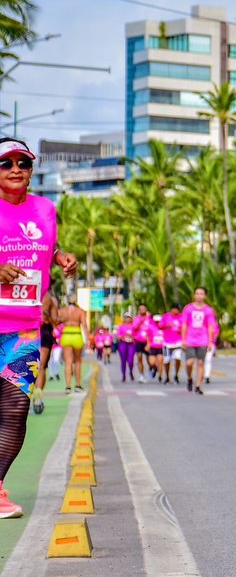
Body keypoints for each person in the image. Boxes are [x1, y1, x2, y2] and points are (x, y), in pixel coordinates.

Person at [0, 137, 77, 517]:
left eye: (23, 163)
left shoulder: (46, 209)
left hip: (26, 326)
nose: (15, 169)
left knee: (15, 406)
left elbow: (46, 246)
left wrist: (61, 256)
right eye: (6, 163)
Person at [181, 287, 217, 395]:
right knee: (189, 363)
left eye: (201, 294)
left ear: (205, 296)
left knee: (201, 362)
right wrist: (183, 339)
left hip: (203, 339)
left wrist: (210, 341)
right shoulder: (188, 308)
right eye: (197, 293)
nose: (199, 296)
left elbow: (210, 326)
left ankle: (198, 386)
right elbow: (184, 324)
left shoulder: (208, 310)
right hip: (190, 339)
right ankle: (189, 378)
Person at [31, 292, 59, 415]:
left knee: (29, 366)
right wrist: (47, 314)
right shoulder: (50, 298)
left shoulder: (27, 289)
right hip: (42, 330)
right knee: (41, 367)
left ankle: (29, 399)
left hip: (27, 329)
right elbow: (55, 320)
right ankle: (38, 399)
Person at [57, 294, 89, 394]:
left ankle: (68, 386)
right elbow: (84, 325)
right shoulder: (80, 311)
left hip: (66, 335)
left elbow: (57, 322)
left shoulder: (62, 311)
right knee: (78, 361)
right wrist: (87, 339)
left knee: (68, 362)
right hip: (77, 335)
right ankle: (78, 385)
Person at [161, 305, 184, 384]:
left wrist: (181, 330)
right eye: (174, 309)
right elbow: (160, 326)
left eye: (177, 309)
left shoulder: (181, 317)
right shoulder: (166, 316)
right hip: (166, 343)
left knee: (178, 358)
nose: (175, 311)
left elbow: (185, 328)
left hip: (178, 342)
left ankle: (176, 375)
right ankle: (167, 376)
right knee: (166, 360)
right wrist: (166, 325)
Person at [132, 303, 152, 384]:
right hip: (139, 341)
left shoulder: (150, 318)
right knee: (139, 357)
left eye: (144, 308)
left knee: (150, 360)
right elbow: (134, 328)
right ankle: (142, 376)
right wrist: (141, 321)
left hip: (148, 341)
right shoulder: (137, 319)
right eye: (141, 309)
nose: (142, 310)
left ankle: (152, 368)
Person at [116, 313, 136, 383]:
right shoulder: (121, 327)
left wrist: (132, 336)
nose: (128, 319)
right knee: (123, 360)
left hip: (131, 344)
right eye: (126, 318)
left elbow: (137, 336)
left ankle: (131, 371)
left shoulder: (134, 327)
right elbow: (118, 337)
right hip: (123, 344)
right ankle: (123, 375)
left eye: (129, 317)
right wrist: (124, 336)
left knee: (130, 360)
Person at [147, 314, 165, 384]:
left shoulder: (163, 328)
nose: (158, 322)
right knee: (151, 362)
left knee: (160, 362)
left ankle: (160, 376)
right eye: (156, 321)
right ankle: (154, 368)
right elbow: (148, 336)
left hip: (161, 347)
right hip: (153, 347)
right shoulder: (151, 327)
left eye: (159, 321)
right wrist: (148, 344)